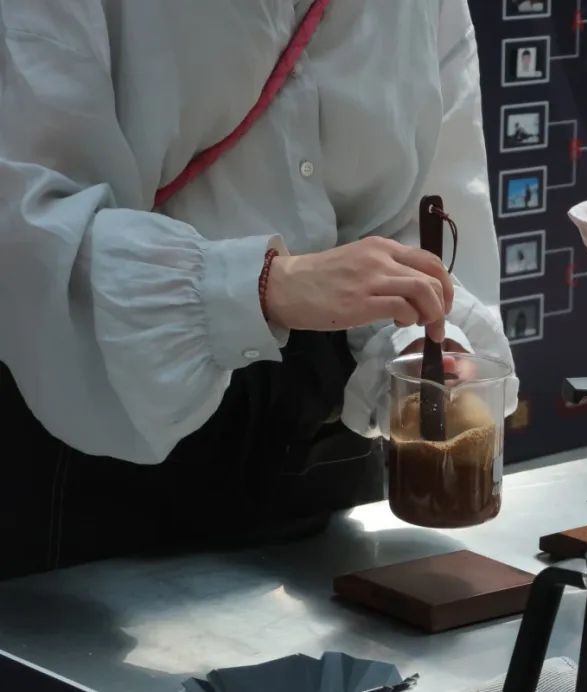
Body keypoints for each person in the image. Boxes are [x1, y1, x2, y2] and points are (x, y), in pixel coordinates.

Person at [0, 1, 517, 579]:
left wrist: (416, 344)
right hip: (101, 408)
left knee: (362, 630)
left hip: (330, 429)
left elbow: (434, 196)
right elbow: (26, 233)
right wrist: (262, 285)